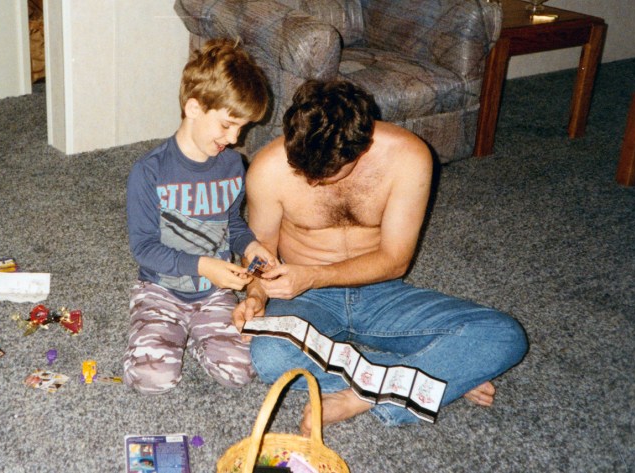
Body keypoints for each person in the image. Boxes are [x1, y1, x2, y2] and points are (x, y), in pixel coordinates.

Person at [233, 80, 528, 432]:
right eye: (303, 170)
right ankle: (430, 375)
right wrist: (255, 295)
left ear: (361, 147)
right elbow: (260, 253)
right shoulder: (268, 168)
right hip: (305, 296)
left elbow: (394, 260)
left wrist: (313, 274)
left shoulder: (409, 156)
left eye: (325, 172)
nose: (311, 181)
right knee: (270, 357)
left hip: (380, 289)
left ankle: (361, 396)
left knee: (504, 335)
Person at [123, 38, 276, 395]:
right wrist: (204, 265)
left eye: (242, 128)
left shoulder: (232, 164)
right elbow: (144, 248)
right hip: (161, 288)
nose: (235, 138)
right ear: (193, 108)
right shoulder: (149, 172)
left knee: (241, 371)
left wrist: (251, 245)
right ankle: (169, 330)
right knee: (152, 380)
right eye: (226, 125)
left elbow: (231, 223)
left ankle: (195, 334)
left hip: (215, 292)